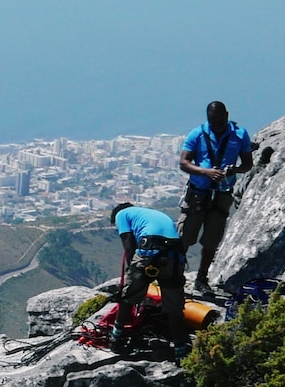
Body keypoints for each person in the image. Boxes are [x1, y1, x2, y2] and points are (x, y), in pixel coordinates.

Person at [178, 101, 255, 296]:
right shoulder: (198, 133)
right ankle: (175, 274)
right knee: (185, 235)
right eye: (213, 123)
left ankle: (202, 279)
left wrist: (234, 170)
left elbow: (247, 163)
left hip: (222, 192)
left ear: (227, 116)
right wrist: (205, 172)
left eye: (220, 122)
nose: (217, 126)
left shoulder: (239, 134)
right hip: (198, 191)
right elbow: (184, 162)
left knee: (212, 238)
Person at [109, 201, 187, 354]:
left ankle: (116, 339)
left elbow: (129, 247)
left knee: (128, 297)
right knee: (174, 308)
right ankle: (180, 351)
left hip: (150, 250)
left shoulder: (121, 214)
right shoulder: (151, 213)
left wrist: (134, 276)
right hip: (176, 255)